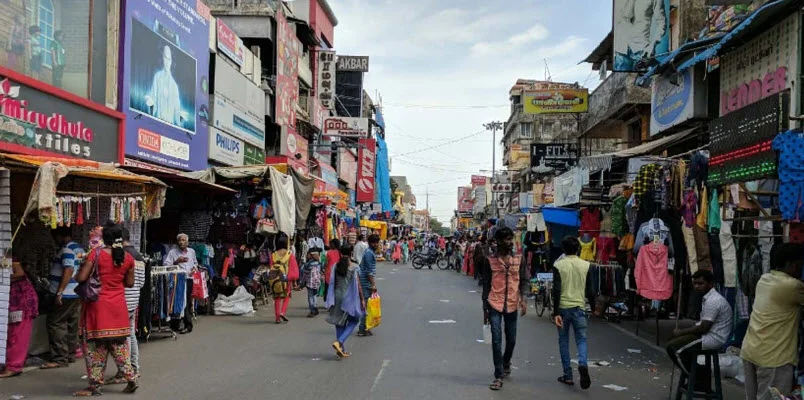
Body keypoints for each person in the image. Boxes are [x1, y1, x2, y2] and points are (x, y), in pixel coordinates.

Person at [74, 222, 138, 396]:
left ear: (104, 238)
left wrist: (79, 270)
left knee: (96, 348)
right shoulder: (127, 258)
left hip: (98, 307)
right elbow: (130, 283)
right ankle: (131, 378)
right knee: (120, 346)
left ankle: (95, 385)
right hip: (118, 307)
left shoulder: (95, 254)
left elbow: (81, 278)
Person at [741, 243, 804, 400]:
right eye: (799, 266)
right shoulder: (792, 286)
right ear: (791, 265)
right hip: (774, 358)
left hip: (751, 350)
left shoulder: (764, 279)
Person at [479, 227, 529, 391]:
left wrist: (524, 299)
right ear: (498, 242)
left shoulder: (519, 259)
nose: (509, 243)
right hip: (494, 303)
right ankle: (498, 375)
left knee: (512, 340)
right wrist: (485, 309)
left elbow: (524, 280)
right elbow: (486, 285)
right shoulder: (489, 260)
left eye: (510, 239)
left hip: (513, 304)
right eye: (505, 239)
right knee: (496, 340)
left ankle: (506, 361)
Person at [666, 269, 732, 391]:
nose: (697, 286)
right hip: (707, 335)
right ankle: (700, 375)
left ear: (710, 284)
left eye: (700, 283)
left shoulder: (713, 300)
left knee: (674, 348)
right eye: (695, 283)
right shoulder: (707, 298)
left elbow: (703, 328)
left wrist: (681, 332)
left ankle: (698, 378)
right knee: (678, 343)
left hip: (712, 338)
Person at [551, 236, 595, 389]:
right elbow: (590, 290)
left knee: (563, 341)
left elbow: (556, 290)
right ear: (578, 249)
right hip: (579, 308)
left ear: (563, 249)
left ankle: (568, 375)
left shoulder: (558, 265)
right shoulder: (586, 265)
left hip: (563, 308)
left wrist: (555, 312)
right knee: (581, 340)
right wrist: (594, 308)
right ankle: (582, 364)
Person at [41, 227, 85, 370]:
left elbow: (69, 269)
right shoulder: (79, 248)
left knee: (55, 323)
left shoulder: (66, 249)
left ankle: (60, 358)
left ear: (59, 236)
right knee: (72, 323)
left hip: (65, 292)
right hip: (76, 292)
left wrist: (59, 292)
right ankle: (70, 354)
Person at [108, 228, 145, 382]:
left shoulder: (121, 255)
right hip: (134, 299)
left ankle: (126, 371)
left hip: (122, 299)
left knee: (123, 337)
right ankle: (134, 367)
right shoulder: (139, 256)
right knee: (131, 334)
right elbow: (141, 283)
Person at [325, 244, 366, 358]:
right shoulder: (354, 267)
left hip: (337, 296)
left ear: (340, 253)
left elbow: (331, 282)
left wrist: (329, 298)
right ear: (351, 253)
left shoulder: (335, 266)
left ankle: (341, 349)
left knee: (339, 323)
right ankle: (340, 342)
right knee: (354, 320)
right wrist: (362, 299)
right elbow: (358, 285)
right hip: (349, 297)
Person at [0, 261, 38, 378]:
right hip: (13, 301)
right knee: (11, 334)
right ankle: (11, 363)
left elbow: (20, 273)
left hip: (21, 301)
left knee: (17, 335)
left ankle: (14, 366)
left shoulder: (9, 259)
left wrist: (5, 277)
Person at [613, 0, 668, 71]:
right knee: (623, 81)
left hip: (641, 50)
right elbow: (621, 18)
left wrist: (653, 44)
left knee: (654, 75)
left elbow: (661, 23)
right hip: (621, 50)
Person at [163, 233, 198, 334]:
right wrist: (177, 261)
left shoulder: (192, 252)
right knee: (176, 301)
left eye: (183, 240)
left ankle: (188, 325)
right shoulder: (173, 252)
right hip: (177, 279)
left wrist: (194, 269)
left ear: (187, 242)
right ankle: (175, 324)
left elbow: (195, 263)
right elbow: (166, 265)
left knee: (186, 301)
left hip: (188, 279)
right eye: (179, 240)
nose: (181, 242)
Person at [147, 45, 181, 126]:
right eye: (165, 57)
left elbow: (177, 111)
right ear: (162, 58)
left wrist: (180, 121)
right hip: (157, 124)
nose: (167, 62)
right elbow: (152, 99)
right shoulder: (157, 77)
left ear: (171, 61)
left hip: (170, 127)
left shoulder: (174, 86)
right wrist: (149, 102)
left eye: (169, 59)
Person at [271, 234, 298, 324]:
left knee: (277, 298)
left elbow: (271, 267)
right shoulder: (289, 255)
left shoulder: (273, 255)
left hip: (275, 279)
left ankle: (277, 317)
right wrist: (293, 280)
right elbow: (293, 268)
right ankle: (282, 312)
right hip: (286, 279)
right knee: (286, 296)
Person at [357, 234, 379, 337]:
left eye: (377, 242)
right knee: (365, 305)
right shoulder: (369, 253)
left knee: (367, 305)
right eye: (374, 243)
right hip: (365, 283)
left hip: (365, 282)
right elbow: (369, 272)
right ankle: (362, 328)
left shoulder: (369, 252)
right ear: (370, 243)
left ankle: (365, 327)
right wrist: (373, 285)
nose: (376, 244)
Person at [302, 250, 322, 317]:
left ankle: (312, 310)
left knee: (310, 296)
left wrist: (302, 283)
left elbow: (305, 274)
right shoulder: (319, 263)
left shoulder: (308, 264)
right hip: (317, 282)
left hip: (310, 282)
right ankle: (315, 307)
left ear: (311, 255)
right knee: (315, 295)